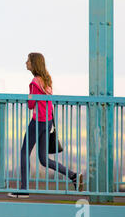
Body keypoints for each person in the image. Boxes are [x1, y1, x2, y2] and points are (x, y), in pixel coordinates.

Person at [8, 53, 83, 198]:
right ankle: (73, 175)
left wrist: (29, 96)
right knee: (43, 159)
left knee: (24, 152)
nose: (26, 63)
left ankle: (24, 190)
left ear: (34, 64)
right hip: (47, 122)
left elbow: (31, 105)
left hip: (37, 121)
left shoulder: (34, 82)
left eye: (28, 61)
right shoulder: (46, 80)